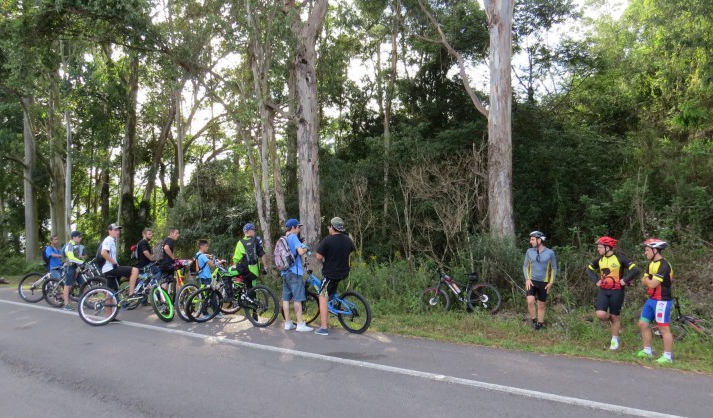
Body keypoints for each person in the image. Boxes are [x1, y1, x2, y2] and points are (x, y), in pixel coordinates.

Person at [587, 236, 641, 350]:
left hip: (617, 291)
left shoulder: (620, 259)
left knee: (615, 316)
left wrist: (625, 280)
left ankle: (615, 339)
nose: (598, 249)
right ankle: (613, 322)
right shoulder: (600, 260)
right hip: (603, 290)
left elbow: (636, 270)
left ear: (607, 247)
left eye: (600, 247)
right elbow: (589, 269)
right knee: (601, 314)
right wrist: (596, 280)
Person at [313, 217, 355, 336]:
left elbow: (318, 257)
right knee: (330, 291)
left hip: (331, 274)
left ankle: (324, 328)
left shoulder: (327, 240)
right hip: (344, 272)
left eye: (329, 227)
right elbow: (350, 251)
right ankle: (331, 301)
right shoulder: (348, 240)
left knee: (322, 297)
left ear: (332, 227)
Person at [637, 238, 675, 364]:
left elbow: (652, 283)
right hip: (652, 299)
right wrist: (648, 280)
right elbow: (643, 281)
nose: (645, 253)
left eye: (647, 250)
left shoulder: (664, 265)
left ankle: (668, 356)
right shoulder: (651, 264)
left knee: (663, 328)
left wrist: (648, 280)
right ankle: (647, 351)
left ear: (655, 250)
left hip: (662, 301)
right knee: (643, 324)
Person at [281, 218, 312, 332]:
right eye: (298, 227)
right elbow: (300, 252)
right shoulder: (293, 237)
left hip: (284, 272)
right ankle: (300, 324)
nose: (299, 229)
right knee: (298, 298)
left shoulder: (284, 238)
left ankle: (288, 323)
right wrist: (306, 247)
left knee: (286, 298)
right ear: (293, 227)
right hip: (295, 272)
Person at [523, 231, 557, 330]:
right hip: (532, 281)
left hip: (544, 282)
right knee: (530, 301)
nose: (530, 241)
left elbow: (554, 268)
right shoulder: (529, 251)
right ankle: (534, 321)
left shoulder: (550, 252)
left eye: (532, 239)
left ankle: (540, 324)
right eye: (530, 239)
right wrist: (527, 279)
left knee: (541, 305)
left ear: (539, 240)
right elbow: (525, 266)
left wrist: (551, 282)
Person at [100, 223, 140, 300]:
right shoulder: (108, 240)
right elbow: (103, 253)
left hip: (108, 269)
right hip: (110, 268)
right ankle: (131, 294)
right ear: (109, 231)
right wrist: (113, 262)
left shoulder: (112, 241)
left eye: (118, 230)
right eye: (115, 230)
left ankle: (108, 311)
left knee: (110, 294)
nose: (118, 232)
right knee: (135, 270)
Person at [232, 223, 268, 292]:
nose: (254, 232)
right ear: (250, 231)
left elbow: (236, 259)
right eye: (254, 230)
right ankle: (252, 300)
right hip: (254, 271)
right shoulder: (256, 240)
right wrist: (265, 267)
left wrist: (235, 265)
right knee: (252, 289)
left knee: (243, 286)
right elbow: (262, 254)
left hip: (244, 270)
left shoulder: (240, 242)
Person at [194, 239, 222, 319]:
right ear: (202, 246)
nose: (207, 247)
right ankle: (217, 312)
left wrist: (208, 256)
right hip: (206, 278)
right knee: (213, 294)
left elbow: (204, 256)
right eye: (206, 246)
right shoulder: (202, 256)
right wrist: (220, 262)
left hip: (200, 278)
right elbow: (212, 265)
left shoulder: (197, 255)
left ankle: (205, 313)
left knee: (204, 296)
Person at [61, 231, 85, 311]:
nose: (80, 238)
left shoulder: (77, 245)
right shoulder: (69, 246)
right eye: (79, 237)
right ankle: (66, 304)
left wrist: (82, 260)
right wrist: (81, 262)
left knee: (82, 284)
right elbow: (71, 258)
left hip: (76, 267)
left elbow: (78, 257)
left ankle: (84, 301)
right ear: (74, 237)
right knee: (67, 285)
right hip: (69, 267)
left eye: (81, 237)